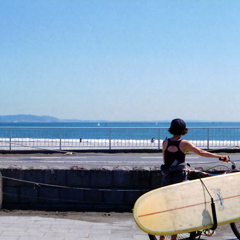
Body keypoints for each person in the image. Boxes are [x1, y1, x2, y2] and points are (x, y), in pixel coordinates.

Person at [160, 118, 229, 240]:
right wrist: (220, 157)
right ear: (183, 130)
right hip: (179, 180)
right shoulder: (184, 143)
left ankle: (162, 237)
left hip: (166, 179)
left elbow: (167, 162)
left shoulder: (165, 142)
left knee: (167, 209)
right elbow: (201, 152)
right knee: (181, 207)